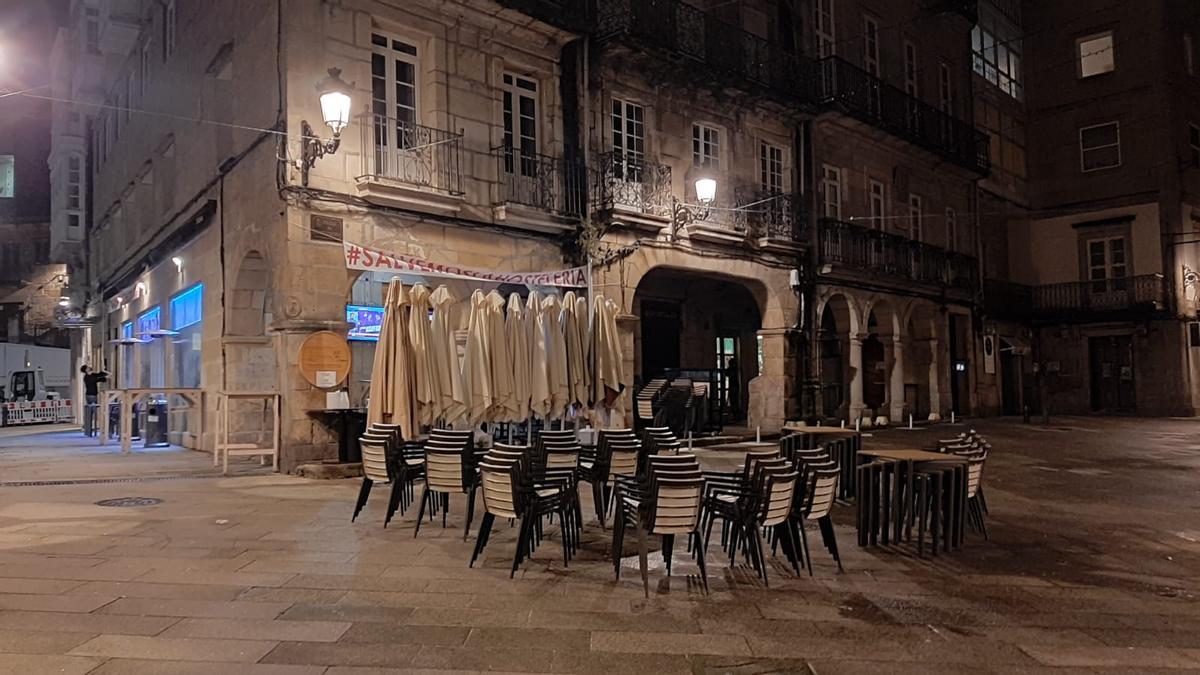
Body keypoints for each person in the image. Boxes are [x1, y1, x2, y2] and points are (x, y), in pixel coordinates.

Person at [81, 366, 108, 437]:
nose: (89, 367)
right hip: (91, 396)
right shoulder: (87, 377)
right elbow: (97, 379)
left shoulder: (92, 375)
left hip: (93, 395)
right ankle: (88, 428)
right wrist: (104, 377)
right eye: (87, 368)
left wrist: (104, 372)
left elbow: (99, 375)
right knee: (92, 412)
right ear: (86, 371)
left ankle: (88, 428)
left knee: (91, 412)